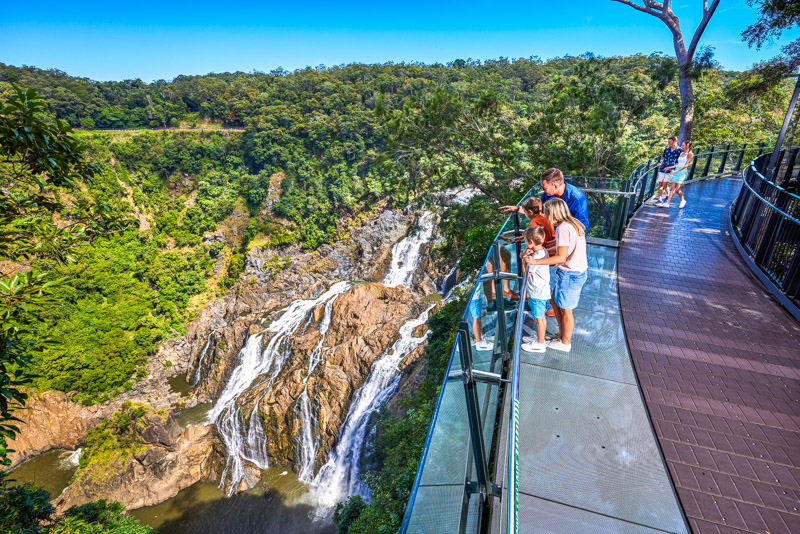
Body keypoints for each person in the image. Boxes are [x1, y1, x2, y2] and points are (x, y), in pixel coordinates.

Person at [525, 198, 588, 352]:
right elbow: (560, 246)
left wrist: (535, 261)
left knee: (567, 310)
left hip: (571, 273)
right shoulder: (572, 223)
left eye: (546, 212)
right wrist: (541, 251)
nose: (544, 215)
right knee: (556, 303)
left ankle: (565, 343)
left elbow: (561, 256)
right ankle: (561, 336)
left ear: (552, 212)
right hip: (573, 272)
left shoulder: (563, 228)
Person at [500, 168, 589, 233]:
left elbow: (582, 226)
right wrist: (517, 209)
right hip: (553, 235)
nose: (542, 190)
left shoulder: (578, 199)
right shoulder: (548, 194)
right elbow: (538, 211)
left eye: (544, 188)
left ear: (555, 186)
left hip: (568, 238)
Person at [520, 226, 549, 354]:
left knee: (538, 319)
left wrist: (523, 261)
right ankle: (539, 338)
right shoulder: (543, 251)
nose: (525, 243)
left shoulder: (535, 259)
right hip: (541, 290)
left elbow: (526, 274)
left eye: (526, 241)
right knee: (541, 317)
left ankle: (540, 344)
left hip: (537, 292)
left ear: (531, 242)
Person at [657, 140, 693, 209]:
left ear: (687, 146)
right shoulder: (681, 153)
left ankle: (682, 200)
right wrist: (669, 167)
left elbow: (686, 165)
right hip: (676, 170)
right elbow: (677, 164)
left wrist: (676, 171)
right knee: (672, 189)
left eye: (683, 145)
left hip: (681, 172)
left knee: (677, 190)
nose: (681, 146)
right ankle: (667, 203)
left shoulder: (690, 154)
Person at [655, 136, 682, 203]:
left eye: (669, 142)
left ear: (674, 141)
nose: (668, 143)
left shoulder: (679, 150)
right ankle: (660, 199)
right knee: (660, 184)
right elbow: (665, 158)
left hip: (671, 169)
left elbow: (680, 161)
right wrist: (660, 163)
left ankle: (668, 194)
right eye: (668, 142)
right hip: (663, 168)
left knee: (664, 184)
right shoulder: (667, 149)